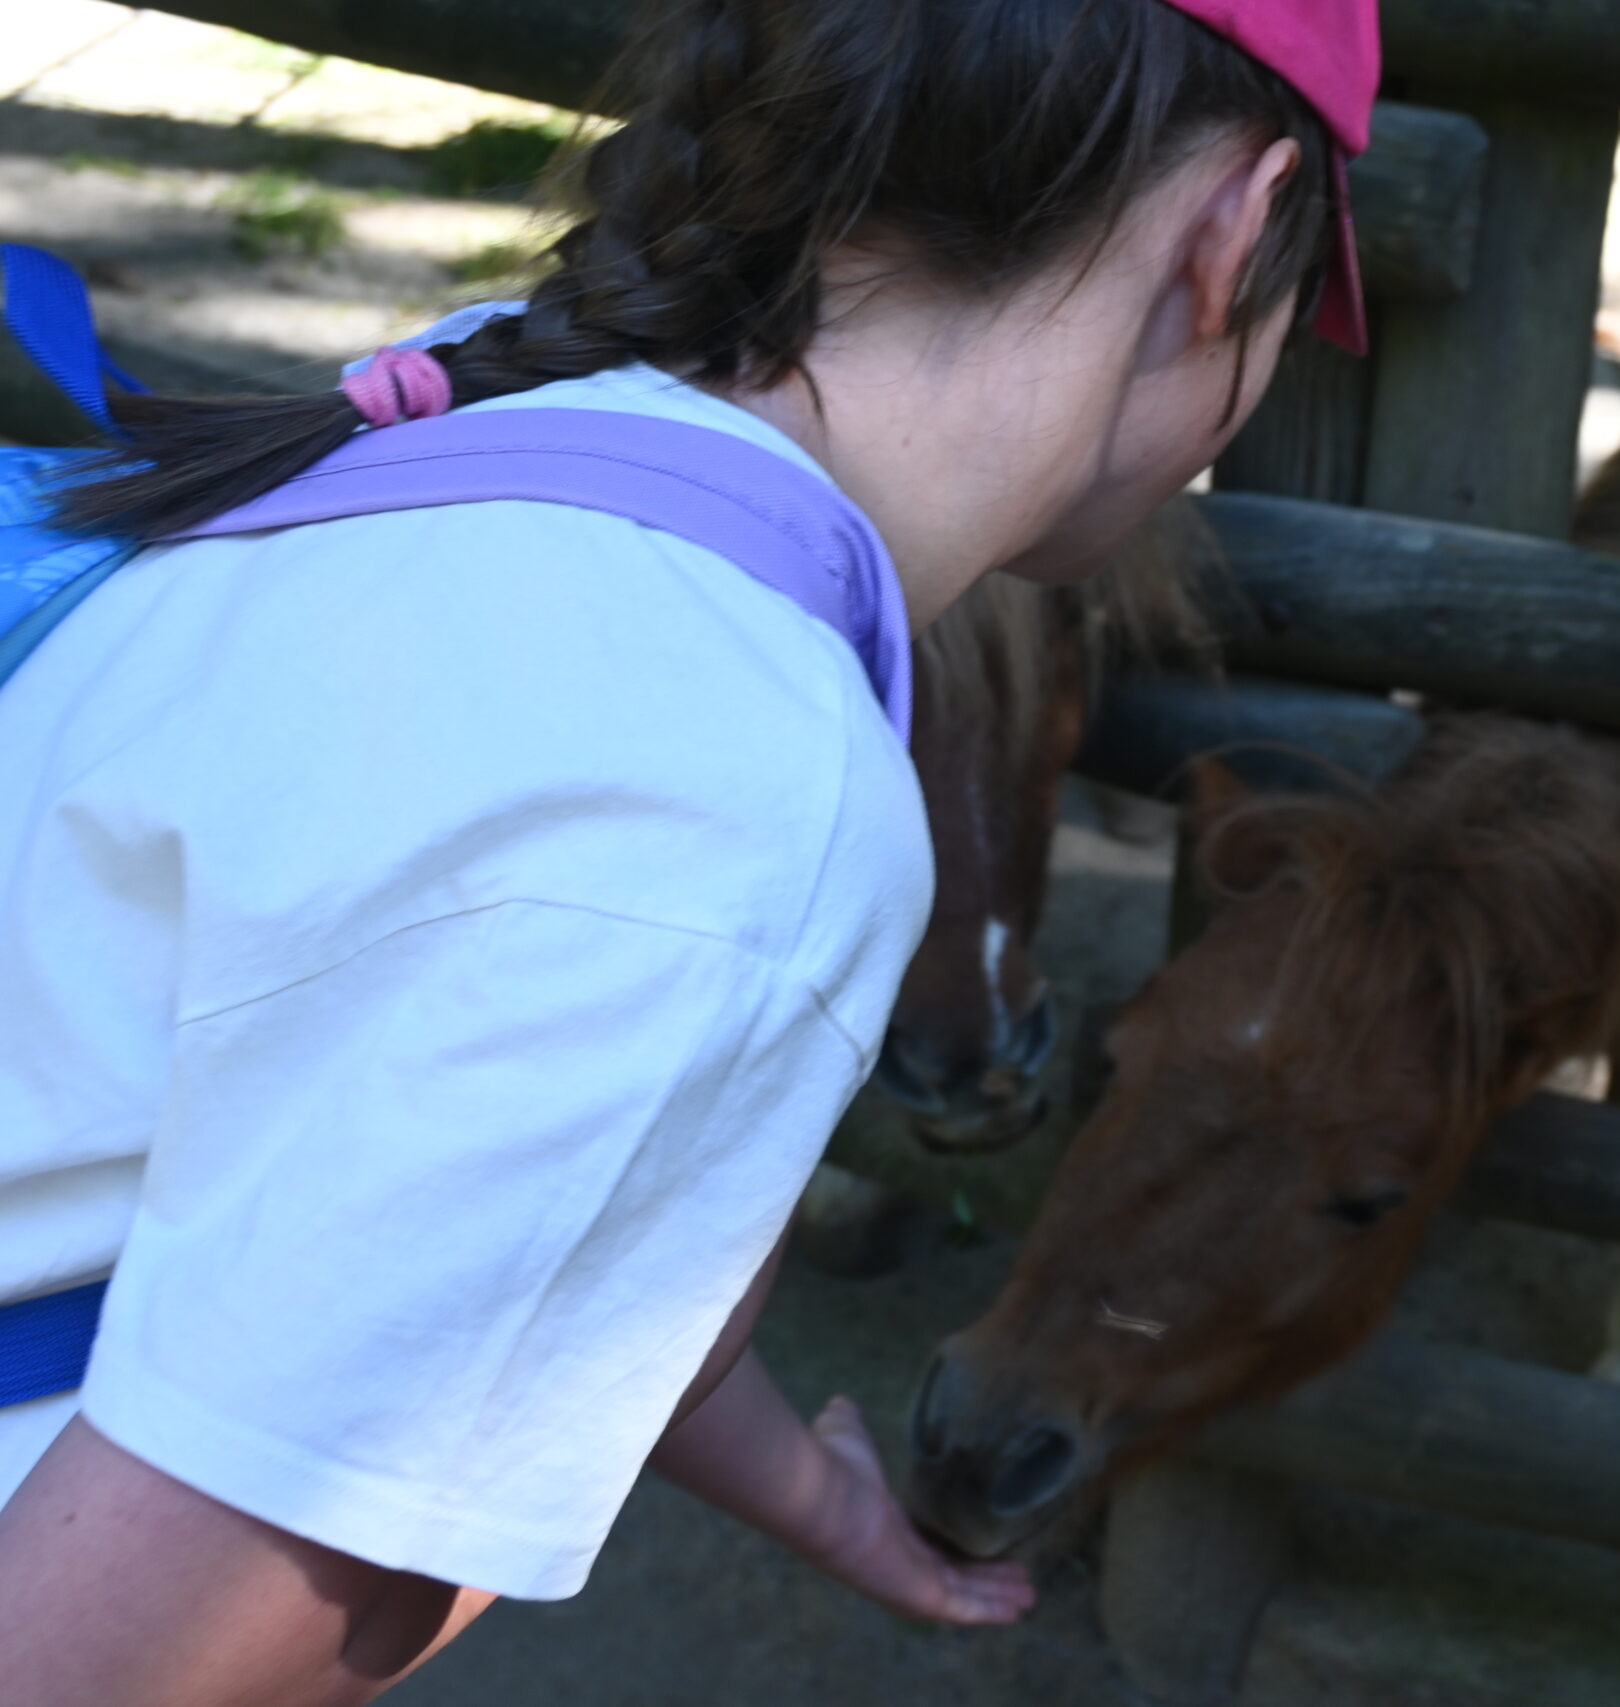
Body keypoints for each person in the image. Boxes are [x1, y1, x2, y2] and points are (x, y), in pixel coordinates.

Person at [0, 0, 1378, 1698]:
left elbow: (491, 1180)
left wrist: (808, 1490)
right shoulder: (724, 792)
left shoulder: (501, 408)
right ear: (1234, 232)